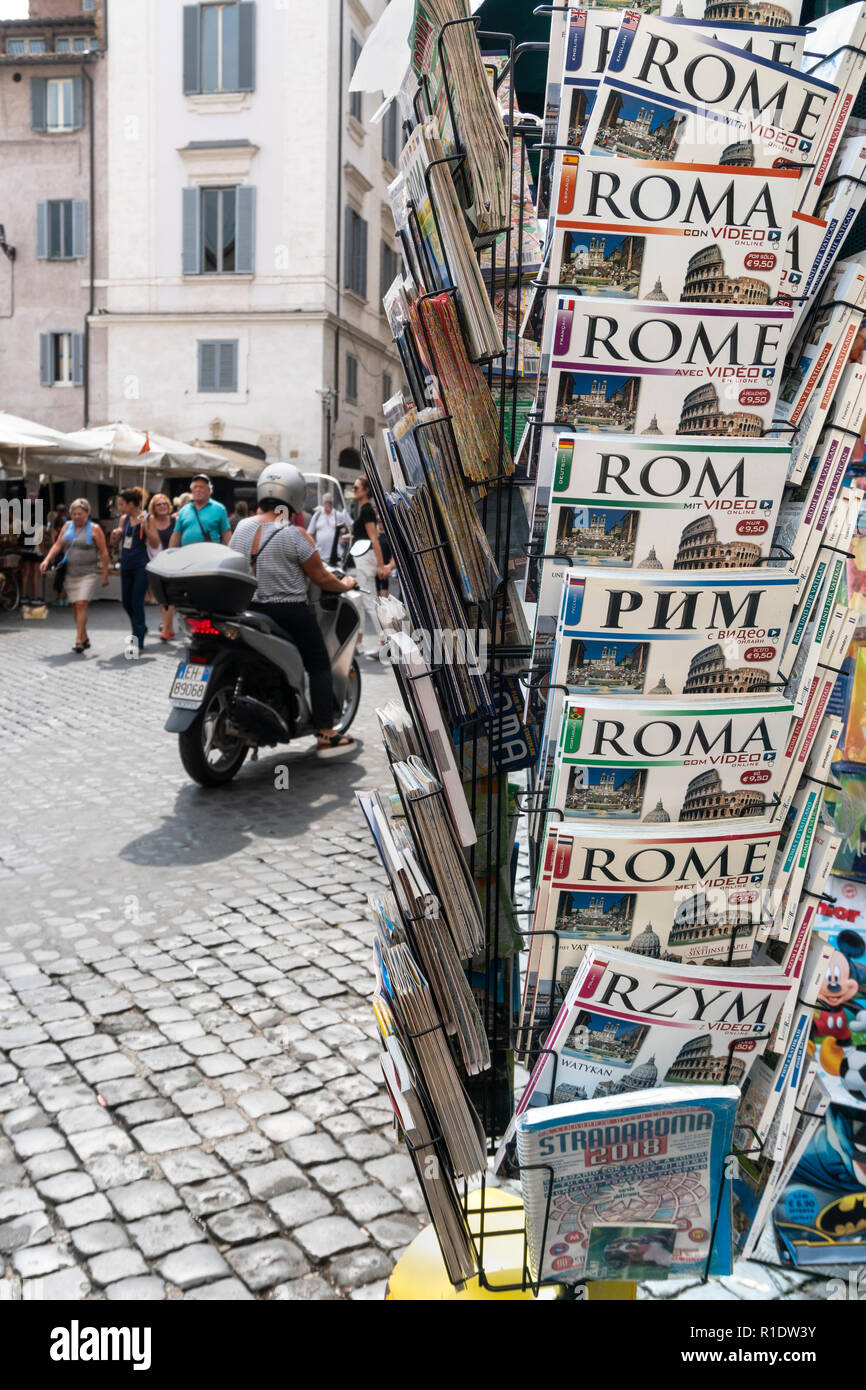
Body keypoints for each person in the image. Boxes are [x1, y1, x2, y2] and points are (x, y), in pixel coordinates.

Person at [229, 462, 359, 758]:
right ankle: (326, 732)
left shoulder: (242, 528)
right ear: (294, 497)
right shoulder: (295, 534)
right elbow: (323, 577)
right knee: (319, 665)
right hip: (288, 613)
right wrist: (348, 581)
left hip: (247, 610)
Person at [39, 497, 109, 652]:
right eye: (75, 514)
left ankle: (78, 640)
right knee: (75, 606)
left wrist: (105, 574)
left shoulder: (95, 529)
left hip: (88, 573)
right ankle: (84, 636)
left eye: (80, 514)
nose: (77, 517)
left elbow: (104, 553)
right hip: (70, 573)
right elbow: (57, 546)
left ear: (88, 513)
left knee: (81, 603)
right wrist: (47, 559)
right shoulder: (67, 526)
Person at [350, 475, 386, 657]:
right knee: (361, 602)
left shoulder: (366, 511)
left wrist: (381, 565)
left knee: (369, 602)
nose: (353, 491)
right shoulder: (364, 510)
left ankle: (382, 643)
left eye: (356, 488)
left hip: (365, 559)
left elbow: (374, 538)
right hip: (362, 558)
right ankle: (359, 643)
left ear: (365, 491)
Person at [111, 487, 150, 654]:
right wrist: (115, 535)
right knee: (126, 602)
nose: (120, 507)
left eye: (122, 504)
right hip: (126, 564)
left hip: (141, 565)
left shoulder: (147, 517)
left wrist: (145, 526)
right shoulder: (124, 519)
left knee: (136, 602)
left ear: (131, 503)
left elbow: (155, 542)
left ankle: (137, 639)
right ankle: (142, 628)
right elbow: (114, 543)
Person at [146, 493, 177, 641]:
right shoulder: (150, 522)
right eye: (159, 504)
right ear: (153, 507)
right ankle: (169, 629)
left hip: (173, 562)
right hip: (156, 562)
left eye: (165, 503)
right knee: (161, 595)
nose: (162, 506)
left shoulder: (175, 520)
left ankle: (165, 628)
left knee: (169, 595)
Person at [169, 475, 230, 547]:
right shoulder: (183, 510)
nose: (198, 490)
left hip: (211, 555)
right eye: (195, 487)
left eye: (202, 487)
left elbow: (226, 534)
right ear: (192, 491)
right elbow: (176, 534)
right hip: (187, 555)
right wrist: (170, 552)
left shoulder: (219, 509)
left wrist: (224, 553)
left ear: (209, 491)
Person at [308, 493, 352, 566]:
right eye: (326, 502)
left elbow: (349, 528)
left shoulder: (338, 515)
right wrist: (313, 548)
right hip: (320, 555)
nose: (328, 504)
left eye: (330, 502)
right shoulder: (317, 515)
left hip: (336, 555)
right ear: (323, 503)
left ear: (333, 503)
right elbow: (309, 533)